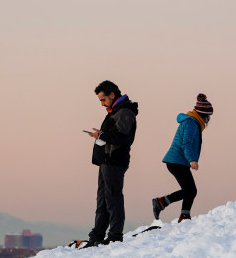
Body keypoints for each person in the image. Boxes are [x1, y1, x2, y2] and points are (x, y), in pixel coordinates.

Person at [84, 80, 138, 246]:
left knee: (113, 199)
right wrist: (101, 135)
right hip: (106, 162)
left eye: (103, 99)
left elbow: (122, 137)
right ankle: (97, 236)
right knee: (102, 200)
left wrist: (101, 135)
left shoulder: (124, 112)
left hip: (114, 161)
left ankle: (115, 236)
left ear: (112, 95)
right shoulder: (115, 112)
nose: (102, 104)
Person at [151, 93, 213, 223]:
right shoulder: (191, 123)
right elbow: (186, 143)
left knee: (191, 190)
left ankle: (184, 216)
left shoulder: (192, 122)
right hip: (176, 161)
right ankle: (160, 202)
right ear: (203, 115)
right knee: (190, 190)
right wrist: (192, 160)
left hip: (178, 162)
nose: (208, 121)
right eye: (208, 117)